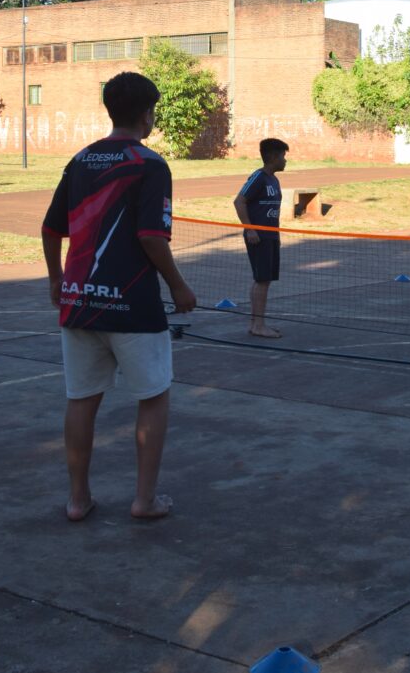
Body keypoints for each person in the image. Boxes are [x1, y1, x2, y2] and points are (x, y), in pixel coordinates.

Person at [41, 71, 196, 521]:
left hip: (80, 300)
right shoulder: (149, 164)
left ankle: (77, 499)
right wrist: (178, 285)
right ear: (148, 114)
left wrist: (57, 279)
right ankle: (144, 500)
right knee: (153, 396)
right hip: (133, 305)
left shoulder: (80, 159)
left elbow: (51, 229)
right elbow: (151, 237)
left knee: (82, 399)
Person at [233, 138, 289, 338]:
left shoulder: (274, 180)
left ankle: (256, 323)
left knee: (265, 280)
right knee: (262, 279)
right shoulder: (258, 178)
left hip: (271, 236)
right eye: (283, 156)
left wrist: (276, 235)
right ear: (273, 157)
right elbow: (239, 202)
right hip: (258, 237)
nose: (285, 160)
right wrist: (250, 229)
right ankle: (258, 325)